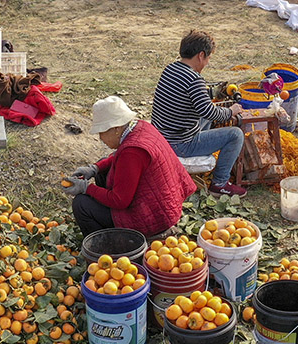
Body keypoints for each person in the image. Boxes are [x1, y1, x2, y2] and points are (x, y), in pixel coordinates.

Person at [64, 96, 196, 238]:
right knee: (104, 167)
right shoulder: (141, 127)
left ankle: (106, 247)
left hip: (155, 218)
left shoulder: (132, 152)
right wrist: (95, 168)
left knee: (81, 205)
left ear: (116, 129)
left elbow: (119, 200)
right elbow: (118, 158)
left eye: (102, 132)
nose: (100, 138)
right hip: (165, 205)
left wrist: (87, 188)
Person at [151, 30, 247, 197]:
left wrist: (213, 93)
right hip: (180, 144)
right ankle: (220, 183)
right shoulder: (194, 80)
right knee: (236, 134)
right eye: (208, 58)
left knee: (204, 115)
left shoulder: (171, 69)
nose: (207, 63)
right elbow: (209, 112)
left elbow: (188, 97)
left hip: (162, 136)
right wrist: (231, 111)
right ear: (201, 55)